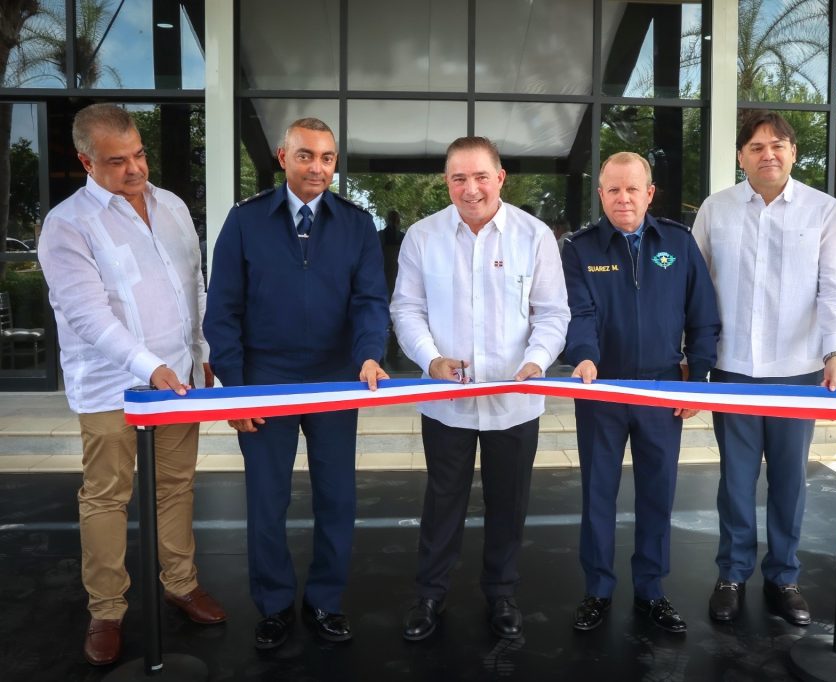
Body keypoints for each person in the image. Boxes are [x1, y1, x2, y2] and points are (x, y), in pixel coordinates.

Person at [37, 103, 226, 667]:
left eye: (139, 154)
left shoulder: (172, 206)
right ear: (86, 162)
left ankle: (181, 584)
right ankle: (107, 610)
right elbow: (87, 315)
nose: (135, 168)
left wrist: (202, 352)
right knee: (107, 497)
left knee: (176, 486)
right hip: (111, 387)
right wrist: (149, 366)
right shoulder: (67, 225)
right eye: (117, 161)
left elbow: (193, 285)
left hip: (179, 380)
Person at [203, 117, 389, 649]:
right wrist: (237, 389)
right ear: (283, 157)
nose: (317, 167)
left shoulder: (356, 224)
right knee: (267, 499)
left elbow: (370, 301)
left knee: (337, 498)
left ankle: (326, 601)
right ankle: (274, 604)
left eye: (327, 157)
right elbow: (222, 311)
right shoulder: (245, 220)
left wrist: (369, 355)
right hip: (266, 381)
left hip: (335, 380)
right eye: (306, 155)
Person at [390, 136, 569, 641]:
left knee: (508, 503)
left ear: (500, 177)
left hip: (515, 402)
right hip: (446, 401)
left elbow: (553, 313)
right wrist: (430, 359)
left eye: (481, 177)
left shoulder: (534, 236)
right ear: (446, 182)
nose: (471, 189)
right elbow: (406, 309)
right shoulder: (422, 237)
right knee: (441, 501)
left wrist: (536, 361)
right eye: (459, 178)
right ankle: (430, 594)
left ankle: (502, 593)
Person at [692, 111, 836, 626]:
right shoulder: (716, 210)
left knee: (790, 480)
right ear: (740, 156)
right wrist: (692, 357)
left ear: (793, 152)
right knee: (736, 481)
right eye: (757, 147)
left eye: (778, 145)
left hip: (797, 372)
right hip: (733, 370)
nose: (768, 154)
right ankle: (732, 574)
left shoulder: (823, 210)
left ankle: (784, 576)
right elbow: (695, 288)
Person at [561, 152, 720, 634]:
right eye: (613, 189)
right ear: (601, 194)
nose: (623, 198)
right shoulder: (579, 249)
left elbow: (703, 315)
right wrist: (583, 356)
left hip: (661, 389)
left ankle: (651, 589)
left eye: (633, 188)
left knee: (657, 493)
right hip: (601, 389)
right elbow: (578, 313)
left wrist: (699, 377)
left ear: (649, 193)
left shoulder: (678, 242)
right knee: (598, 494)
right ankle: (597, 589)